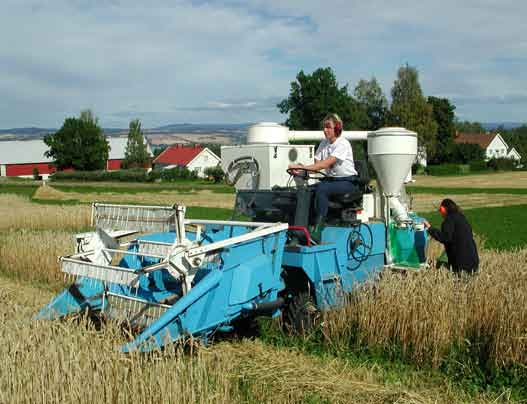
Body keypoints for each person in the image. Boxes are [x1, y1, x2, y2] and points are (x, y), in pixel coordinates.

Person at [288, 113, 359, 237]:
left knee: (322, 189)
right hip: (333, 181)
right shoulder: (323, 144)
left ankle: (318, 229)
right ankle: (303, 227)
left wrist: (302, 167)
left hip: (348, 182)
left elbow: (324, 164)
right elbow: (316, 166)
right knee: (306, 190)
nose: (325, 130)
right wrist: (300, 170)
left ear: (337, 128)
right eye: (324, 127)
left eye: (328, 127)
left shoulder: (343, 144)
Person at [423, 198, 479, 274]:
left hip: (461, 263)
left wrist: (429, 228)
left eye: (440, 211)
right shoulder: (461, 218)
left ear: (443, 209)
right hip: (473, 260)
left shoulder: (449, 220)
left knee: (442, 267)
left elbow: (445, 238)